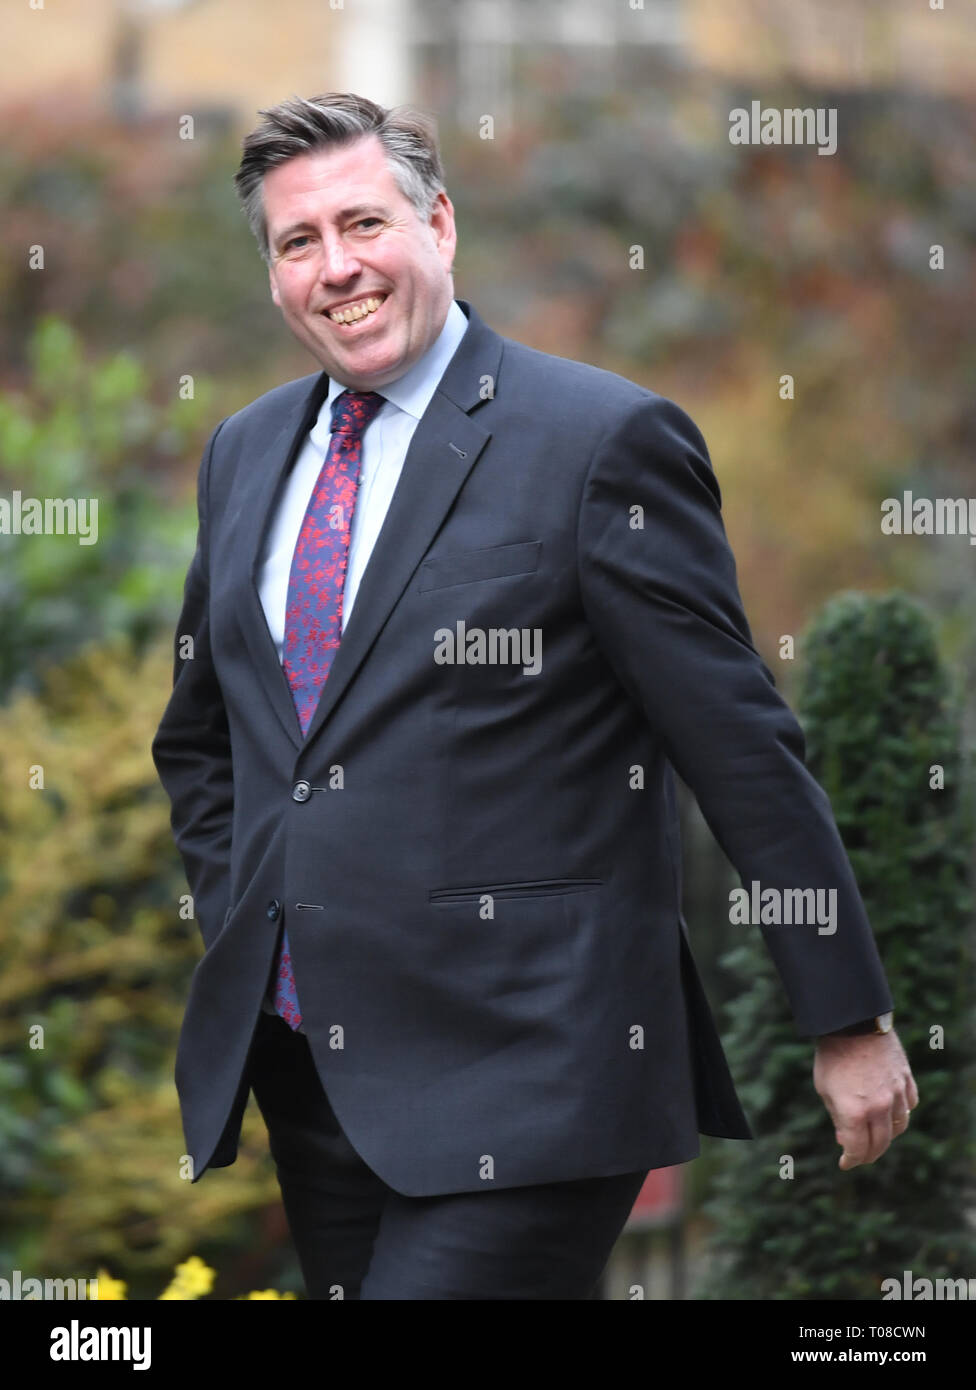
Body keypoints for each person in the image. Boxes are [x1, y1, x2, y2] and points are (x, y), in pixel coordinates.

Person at [151, 91, 918, 1301]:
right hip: (319, 1072)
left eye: (364, 224)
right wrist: (260, 925)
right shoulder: (245, 453)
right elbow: (205, 740)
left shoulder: (597, 441)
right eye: (299, 243)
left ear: (440, 225)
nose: (337, 267)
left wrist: (848, 1016)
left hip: (537, 1071)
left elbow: (738, 745)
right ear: (274, 274)